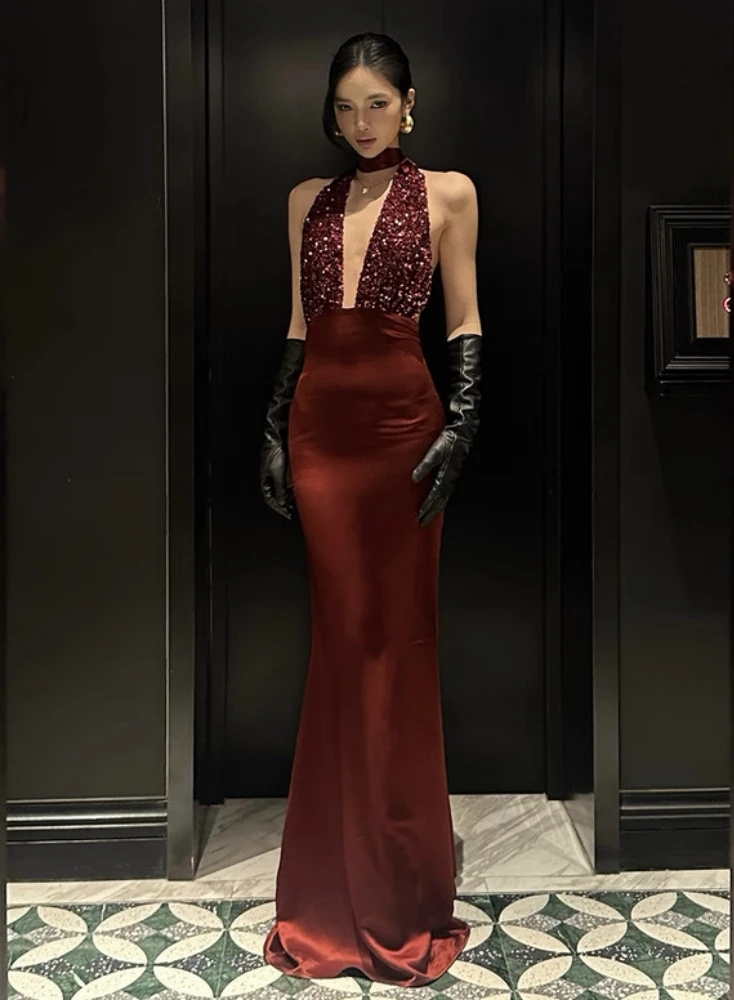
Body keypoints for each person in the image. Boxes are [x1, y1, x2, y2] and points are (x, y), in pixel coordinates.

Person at [259, 31, 482, 988]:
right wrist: (273, 427)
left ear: (409, 105)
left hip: (402, 434)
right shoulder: (305, 202)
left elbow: (463, 316)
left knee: (396, 646)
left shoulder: (449, 193)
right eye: (346, 107)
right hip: (321, 435)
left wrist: (463, 422)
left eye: (377, 105)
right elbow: (299, 323)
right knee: (342, 646)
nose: (361, 123)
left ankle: (397, 889)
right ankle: (326, 896)